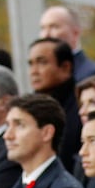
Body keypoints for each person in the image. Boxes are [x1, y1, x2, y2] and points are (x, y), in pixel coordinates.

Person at [27, 38, 83, 174]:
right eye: (30, 64)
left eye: (42, 62)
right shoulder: (29, 108)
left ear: (65, 67)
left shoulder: (82, 106)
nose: (34, 71)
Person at [40, 4, 95, 81]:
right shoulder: (41, 73)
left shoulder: (91, 74)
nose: (46, 34)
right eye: (43, 28)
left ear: (75, 33)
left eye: (54, 27)